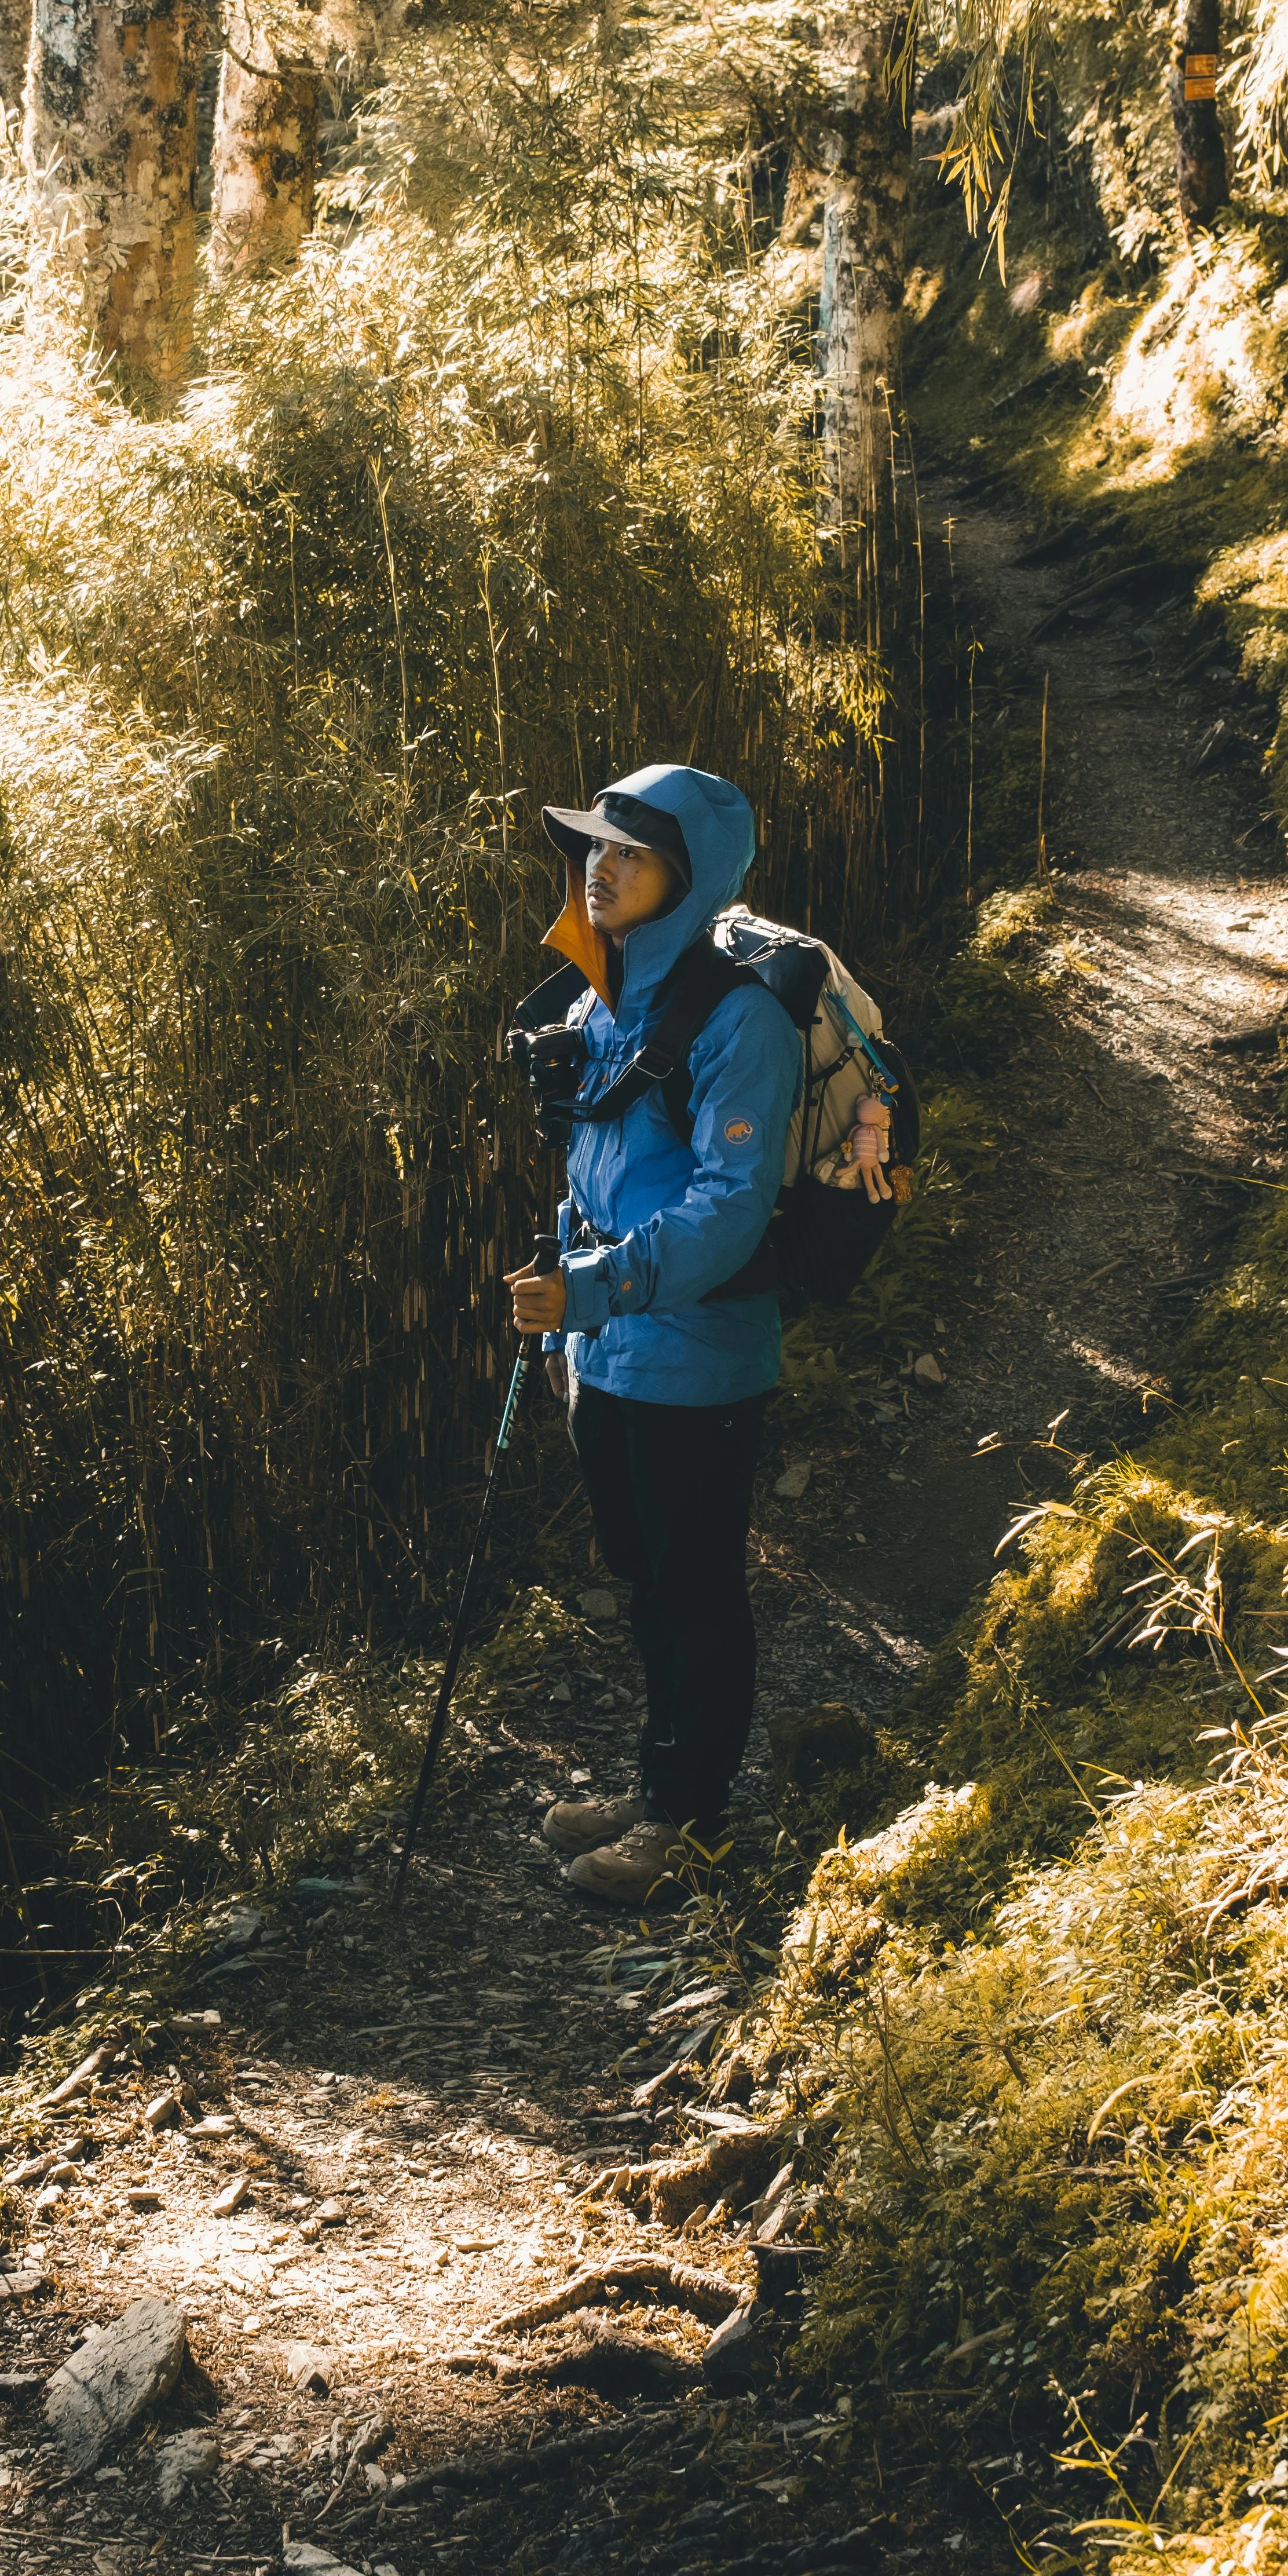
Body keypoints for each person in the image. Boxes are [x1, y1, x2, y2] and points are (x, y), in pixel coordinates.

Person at [504, 763, 802, 1904]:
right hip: (611, 1354)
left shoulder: (741, 1020)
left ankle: (694, 1824)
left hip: (699, 1355)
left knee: (693, 1587)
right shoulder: (599, 1000)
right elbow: (604, 1173)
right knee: (643, 1576)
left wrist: (588, 1291)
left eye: (628, 853)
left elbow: (726, 1211)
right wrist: (561, 1295)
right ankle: (658, 1785)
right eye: (590, 847)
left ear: (691, 875)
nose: (599, 868)